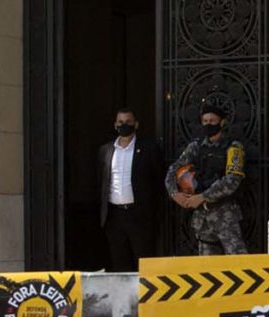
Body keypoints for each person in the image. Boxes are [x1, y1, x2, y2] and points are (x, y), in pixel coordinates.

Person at [165, 96, 248, 255]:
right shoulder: (196, 147)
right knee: (207, 267)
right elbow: (174, 169)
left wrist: (203, 197)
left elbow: (232, 180)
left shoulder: (233, 147)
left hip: (225, 215)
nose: (208, 124)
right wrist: (174, 193)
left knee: (237, 260)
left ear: (222, 122)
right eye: (205, 121)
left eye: (212, 120)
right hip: (202, 218)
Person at [97, 105, 163, 271]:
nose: (123, 125)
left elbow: (158, 180)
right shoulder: (105, 150)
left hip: (139, 215)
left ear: (136, 124)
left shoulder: (148, 149)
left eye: (128, 122)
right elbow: (101, 182)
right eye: (120, 122)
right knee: (119, 262)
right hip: (114, 216)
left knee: (144, 263)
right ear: (115, 124)